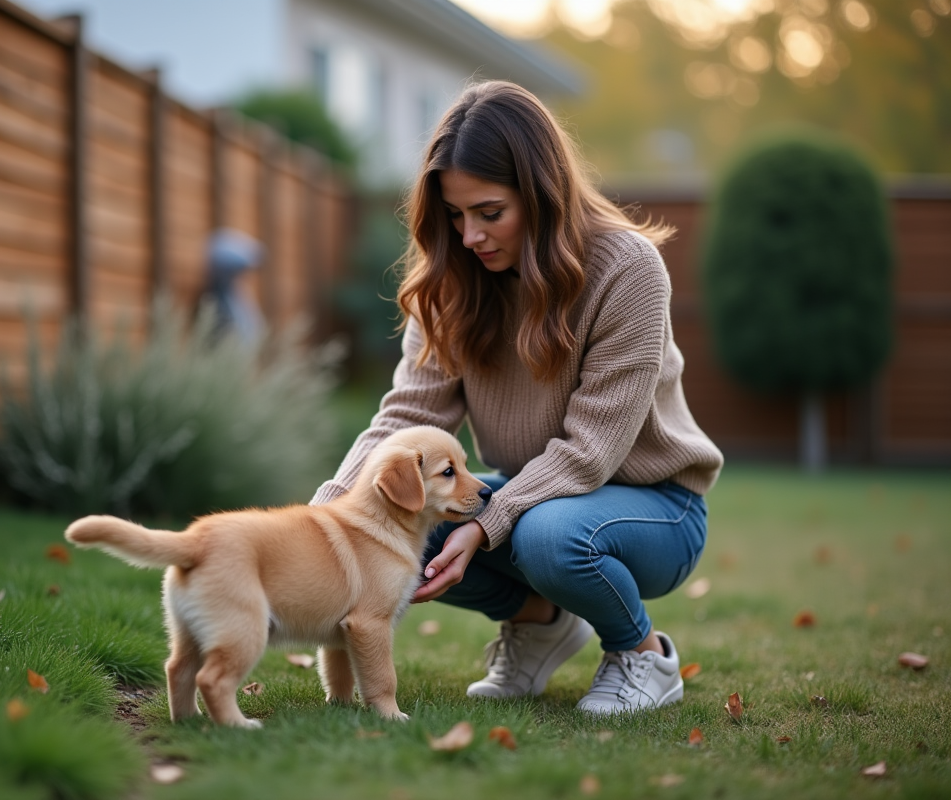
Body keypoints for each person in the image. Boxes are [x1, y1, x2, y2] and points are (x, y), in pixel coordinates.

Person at [310, 81, 723, 715]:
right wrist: (332, 513)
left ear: (541, 195)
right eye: (455, 214)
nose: (470, 234)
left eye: (489, 211)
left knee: (546, 536)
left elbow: (591, 452)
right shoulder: (451, 283)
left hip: (654, 505)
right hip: (527, 494)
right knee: (389, 528)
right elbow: (407, 420)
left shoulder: (628, 270)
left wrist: (489, 521)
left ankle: (643, 655)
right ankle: (541, 624)